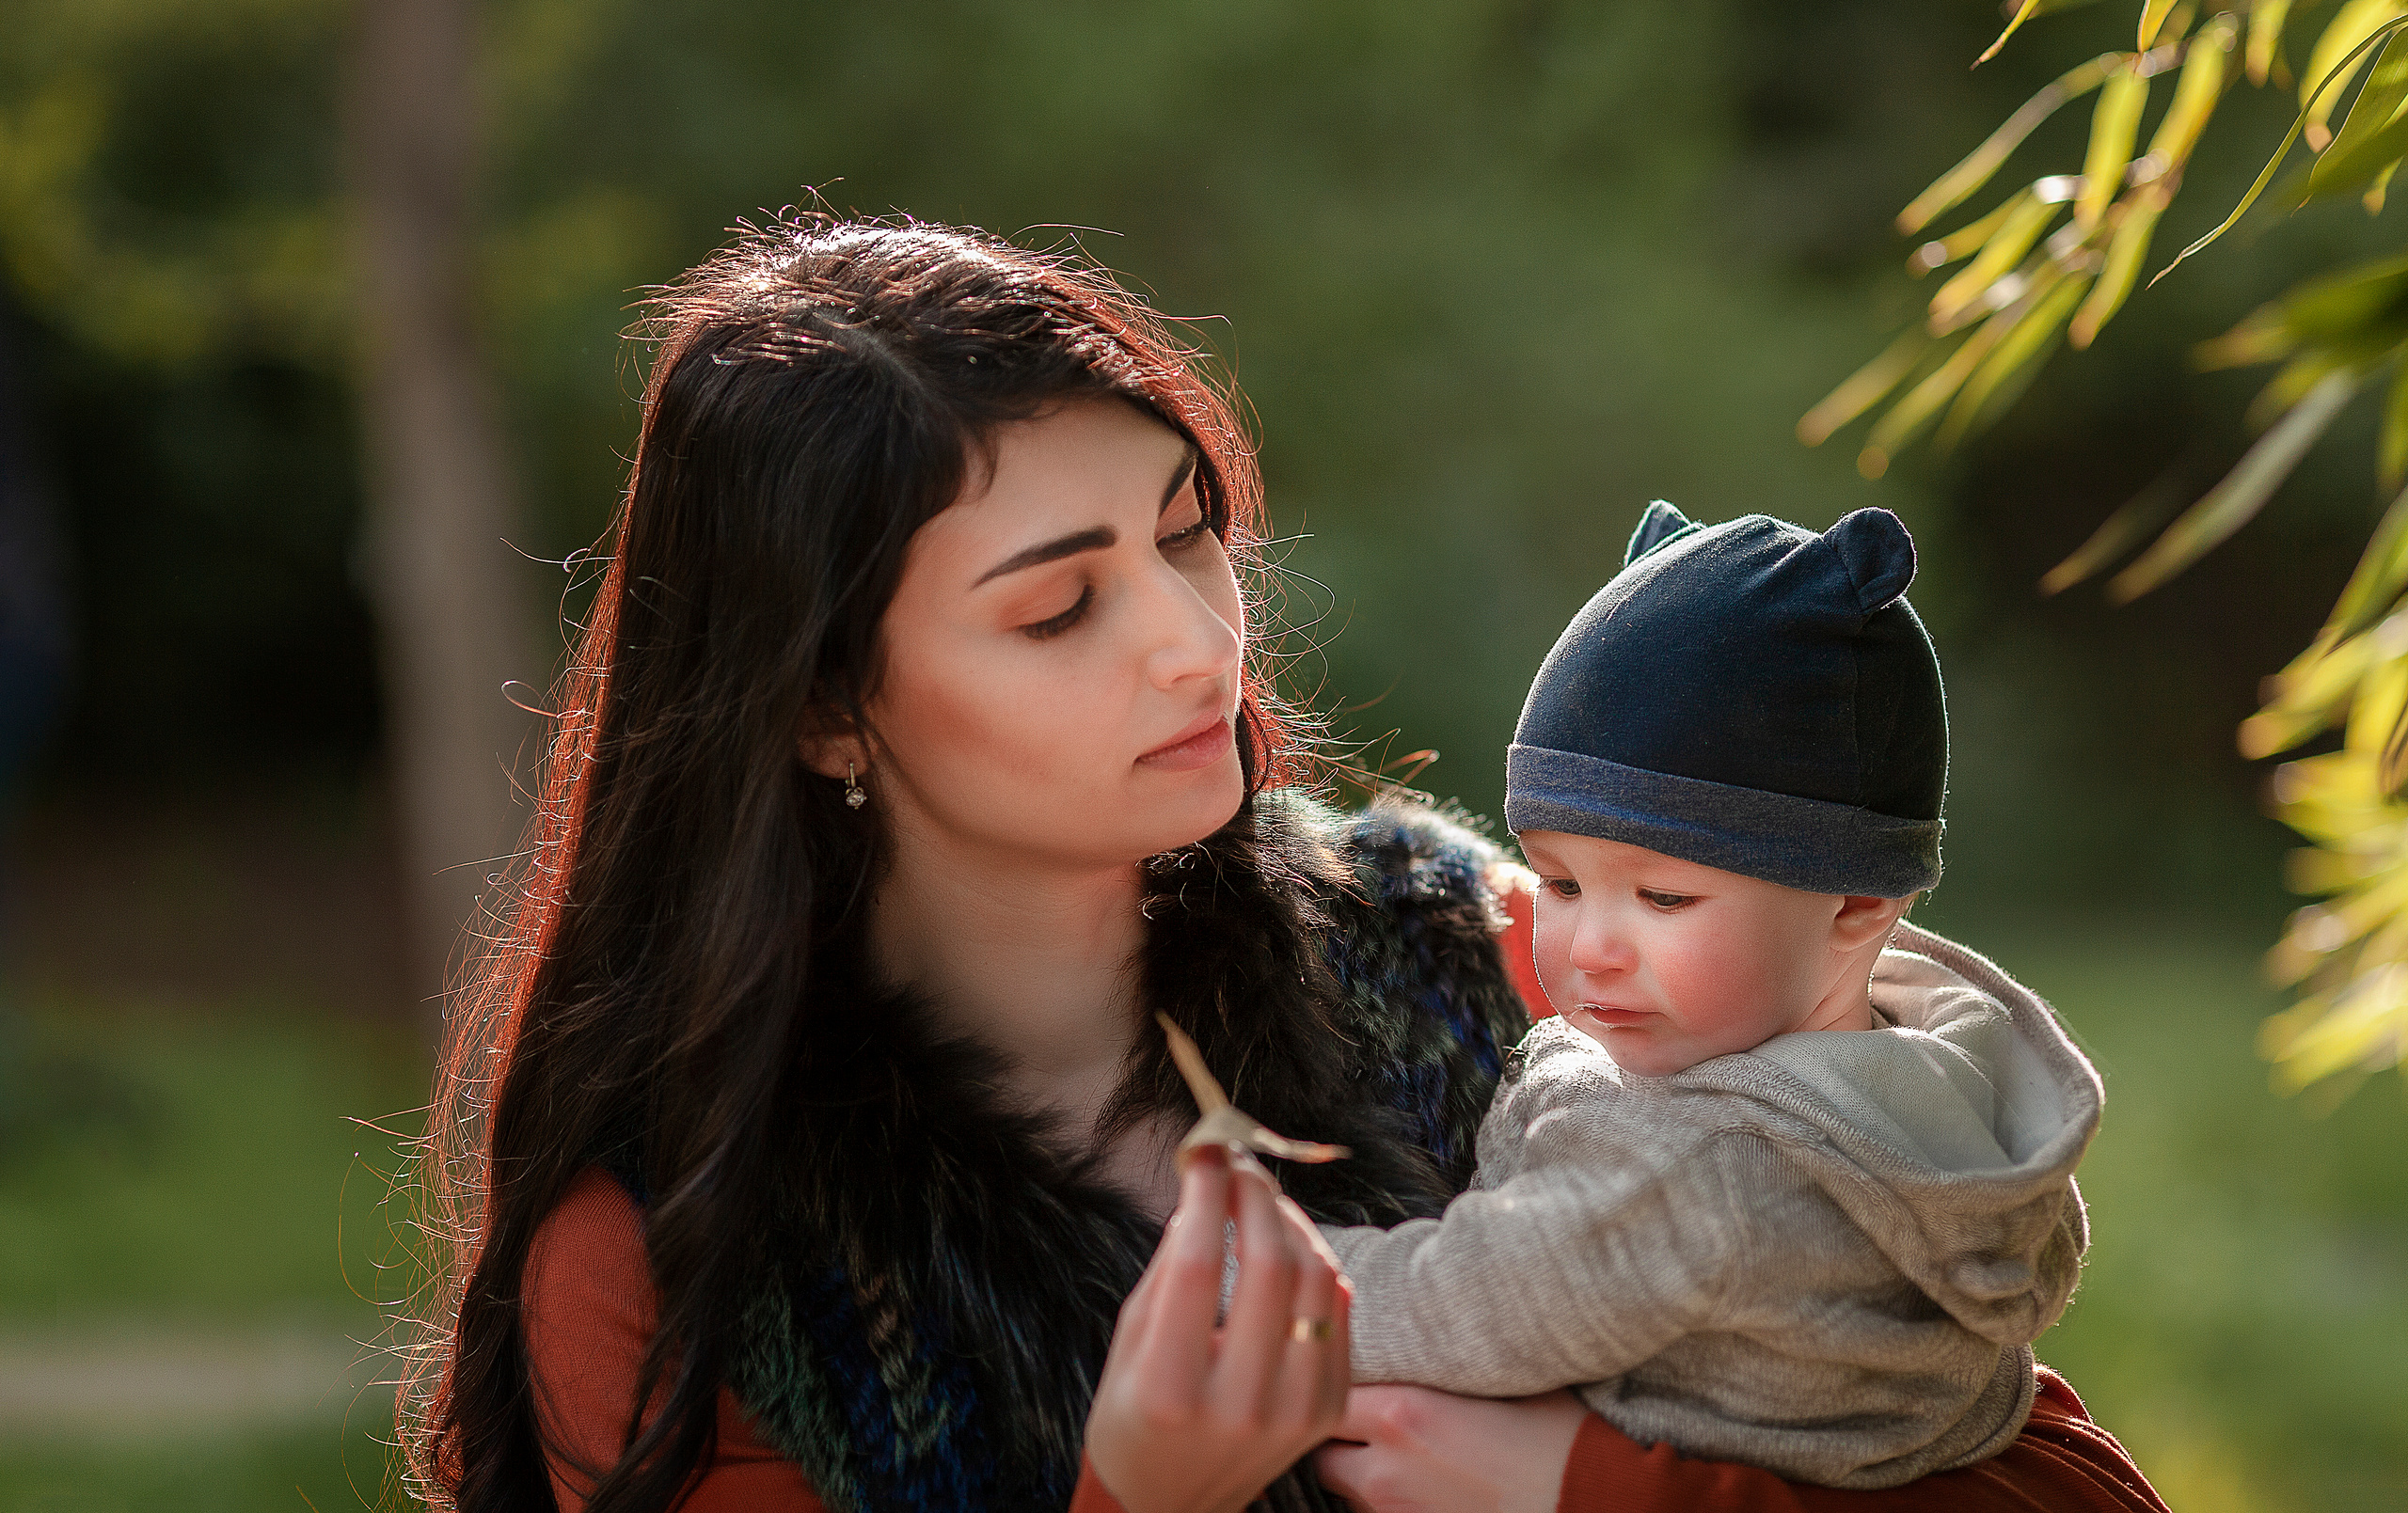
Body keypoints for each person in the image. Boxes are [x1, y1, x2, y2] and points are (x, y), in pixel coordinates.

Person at [397, 214, 2167, 1513]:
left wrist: (1604, 1489)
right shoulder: (672, 1248)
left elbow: (2062, 1481)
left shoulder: (1481, 949)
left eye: (1188, 536)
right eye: (1058, 605)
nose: (1193, 644)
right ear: (824, 710)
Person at [1323, 502, 2103, 1489]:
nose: (1591, 945)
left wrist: (1243, 1274)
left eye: (1662, 896)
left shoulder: (1708, 1168)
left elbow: (1469, 1301)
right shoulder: (1927, 1096)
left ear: (1857, 904)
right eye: (1559, 882)